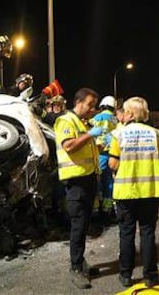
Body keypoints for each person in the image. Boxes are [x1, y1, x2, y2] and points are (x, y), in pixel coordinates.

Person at [108, 96, 159, 288]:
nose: (122, 115)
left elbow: (113, 163)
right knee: (148, 233)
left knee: (126, 233)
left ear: (130, 113)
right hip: (149, 190)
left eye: (124, 111)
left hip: (126, 192)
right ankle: (151, 275)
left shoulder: (119, 135)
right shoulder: (155, 134)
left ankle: (125, 275)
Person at [54, 88, 102, 289]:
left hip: (88, 179)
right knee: (78, 224)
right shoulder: (65, 121)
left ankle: (80, 261)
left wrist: (99, 144)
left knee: (84, 224)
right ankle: (75, 267)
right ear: (78, 101)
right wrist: (90, 134)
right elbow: (69, 146)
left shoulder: (83, 123)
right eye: (90, 104)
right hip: (75, 182)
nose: (92, 109)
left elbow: (86, 148)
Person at [89, 95, 118, 219]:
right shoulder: (115, 120)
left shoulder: (97, 117)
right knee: (109, 181)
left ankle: (95, 208)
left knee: (96, 180)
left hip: (99, 153)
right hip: (112, 154)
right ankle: (108, 208)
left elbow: (88, 129)